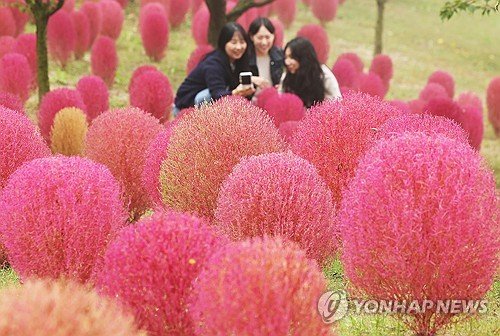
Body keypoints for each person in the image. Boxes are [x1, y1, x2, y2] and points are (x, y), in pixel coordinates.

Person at [174, 22, 255, 113]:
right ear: (223, 43)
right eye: (233, 42)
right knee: (206, 96)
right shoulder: (213, 64)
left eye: (242, 42)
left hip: (210, 107)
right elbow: (217, 94)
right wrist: (236, 92)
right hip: (186, 106)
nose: (239, 47)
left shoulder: (239, 61)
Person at [280, 37, 341, 108]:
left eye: (291, 57)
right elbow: (281, 99)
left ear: (303, 58)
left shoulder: (324, 76)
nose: (287, 62)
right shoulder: (287, 76)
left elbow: (337, 103)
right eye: (286, 57)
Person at [247, 17, 284, 90]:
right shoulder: (244, 57)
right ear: (251, 37)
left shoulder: (280, 55)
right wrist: (250, 79)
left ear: (273, 36)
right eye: (260, 38)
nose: (264, 42)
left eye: (267, 37)